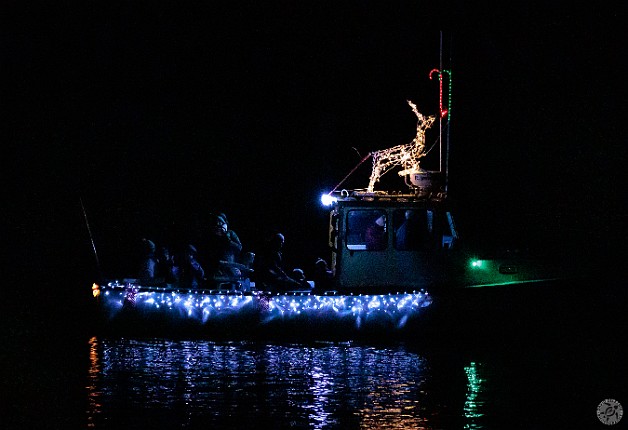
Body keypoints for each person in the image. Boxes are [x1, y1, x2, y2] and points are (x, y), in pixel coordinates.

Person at [205, 212, 243, 278]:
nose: (218, 224)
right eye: (217, 221)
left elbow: (239, 248)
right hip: (216, 265)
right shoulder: (212, 235)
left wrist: (227, 239)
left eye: (220, 221)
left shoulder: (230, 233)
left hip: (229, 264)